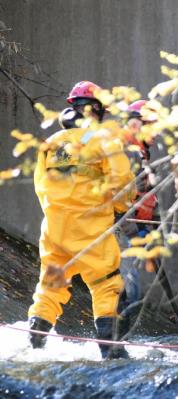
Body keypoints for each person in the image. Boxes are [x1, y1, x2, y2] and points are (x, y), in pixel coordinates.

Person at [28, 81, 135, 359]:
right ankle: (110, 349)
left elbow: (40, 186)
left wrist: (57, 212)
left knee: (51, 283)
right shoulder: (104, 141)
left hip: (53, 227)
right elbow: (123, 182)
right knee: (106, 283)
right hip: (91, 227)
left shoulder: (50, 144)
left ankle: (35, 338)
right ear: (96, 109)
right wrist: (121, 208)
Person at [114, 99, 160, 332]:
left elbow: (147, 195)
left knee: (131, 290)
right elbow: (118, 198)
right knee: (125, 290)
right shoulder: (125, 151)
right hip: (120, 228)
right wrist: (137, 230)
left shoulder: (141, 153)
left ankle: (117, 344)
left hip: (133, 227)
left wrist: (152, 226)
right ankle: (114, 345)